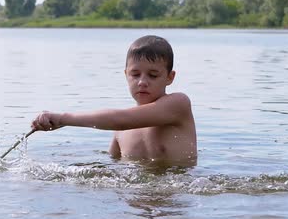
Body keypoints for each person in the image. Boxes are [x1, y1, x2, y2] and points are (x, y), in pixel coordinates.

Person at [31, 35, 197, 166]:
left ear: (170, 77)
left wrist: (63, 119)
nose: (142, 82)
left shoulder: (178, 104)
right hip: (135, 203)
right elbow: (112, 167)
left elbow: (121, 119)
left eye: (153, 75)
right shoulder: (120, 132)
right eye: (135, 74)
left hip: (171, 203)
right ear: (126, 75)